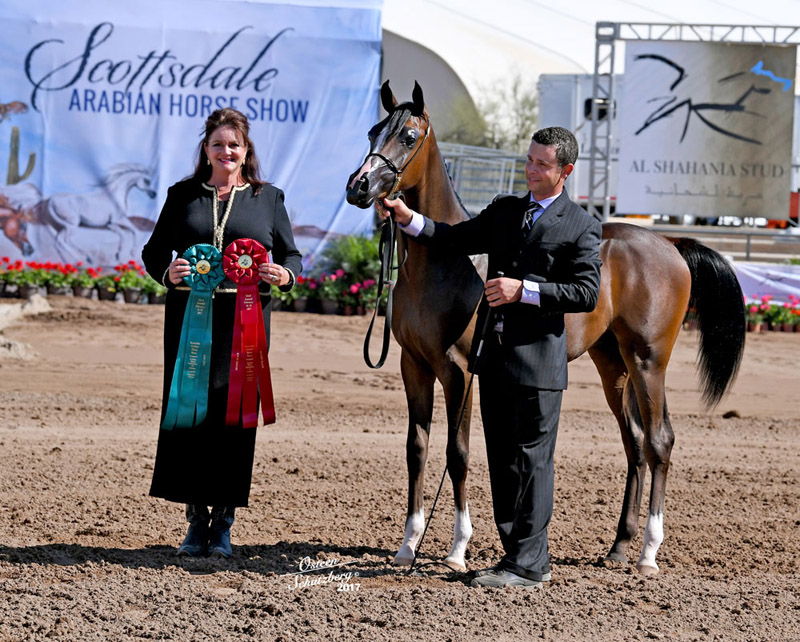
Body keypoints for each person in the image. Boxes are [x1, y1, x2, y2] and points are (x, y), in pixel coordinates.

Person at [378, 126, 602, 588]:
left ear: (565, 171)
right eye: (530, 160)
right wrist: (407, 218)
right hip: (494, 358)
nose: (531, 170)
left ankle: (529, 564)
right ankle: (514, 557)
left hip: (539, 363)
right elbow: (452, 238)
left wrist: (526, 291)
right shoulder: (505, 210)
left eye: (542, 164)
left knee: (533, 463)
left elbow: (586, 292)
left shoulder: (581, 225)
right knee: (502, 462)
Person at [142, 108, 302, 558]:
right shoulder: (182, 196)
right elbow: (154, 252)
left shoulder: (269, 198)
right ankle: (196, 521)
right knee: (190, 417)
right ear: (206, 149)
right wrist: (168, 272)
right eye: (218, 144)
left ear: (246, 151)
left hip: (245, 325)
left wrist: (284, 275)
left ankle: (224, 523)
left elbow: (291, 255)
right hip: (189, 322)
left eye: (234, 145)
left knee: (235, 421)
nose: (226, 151)